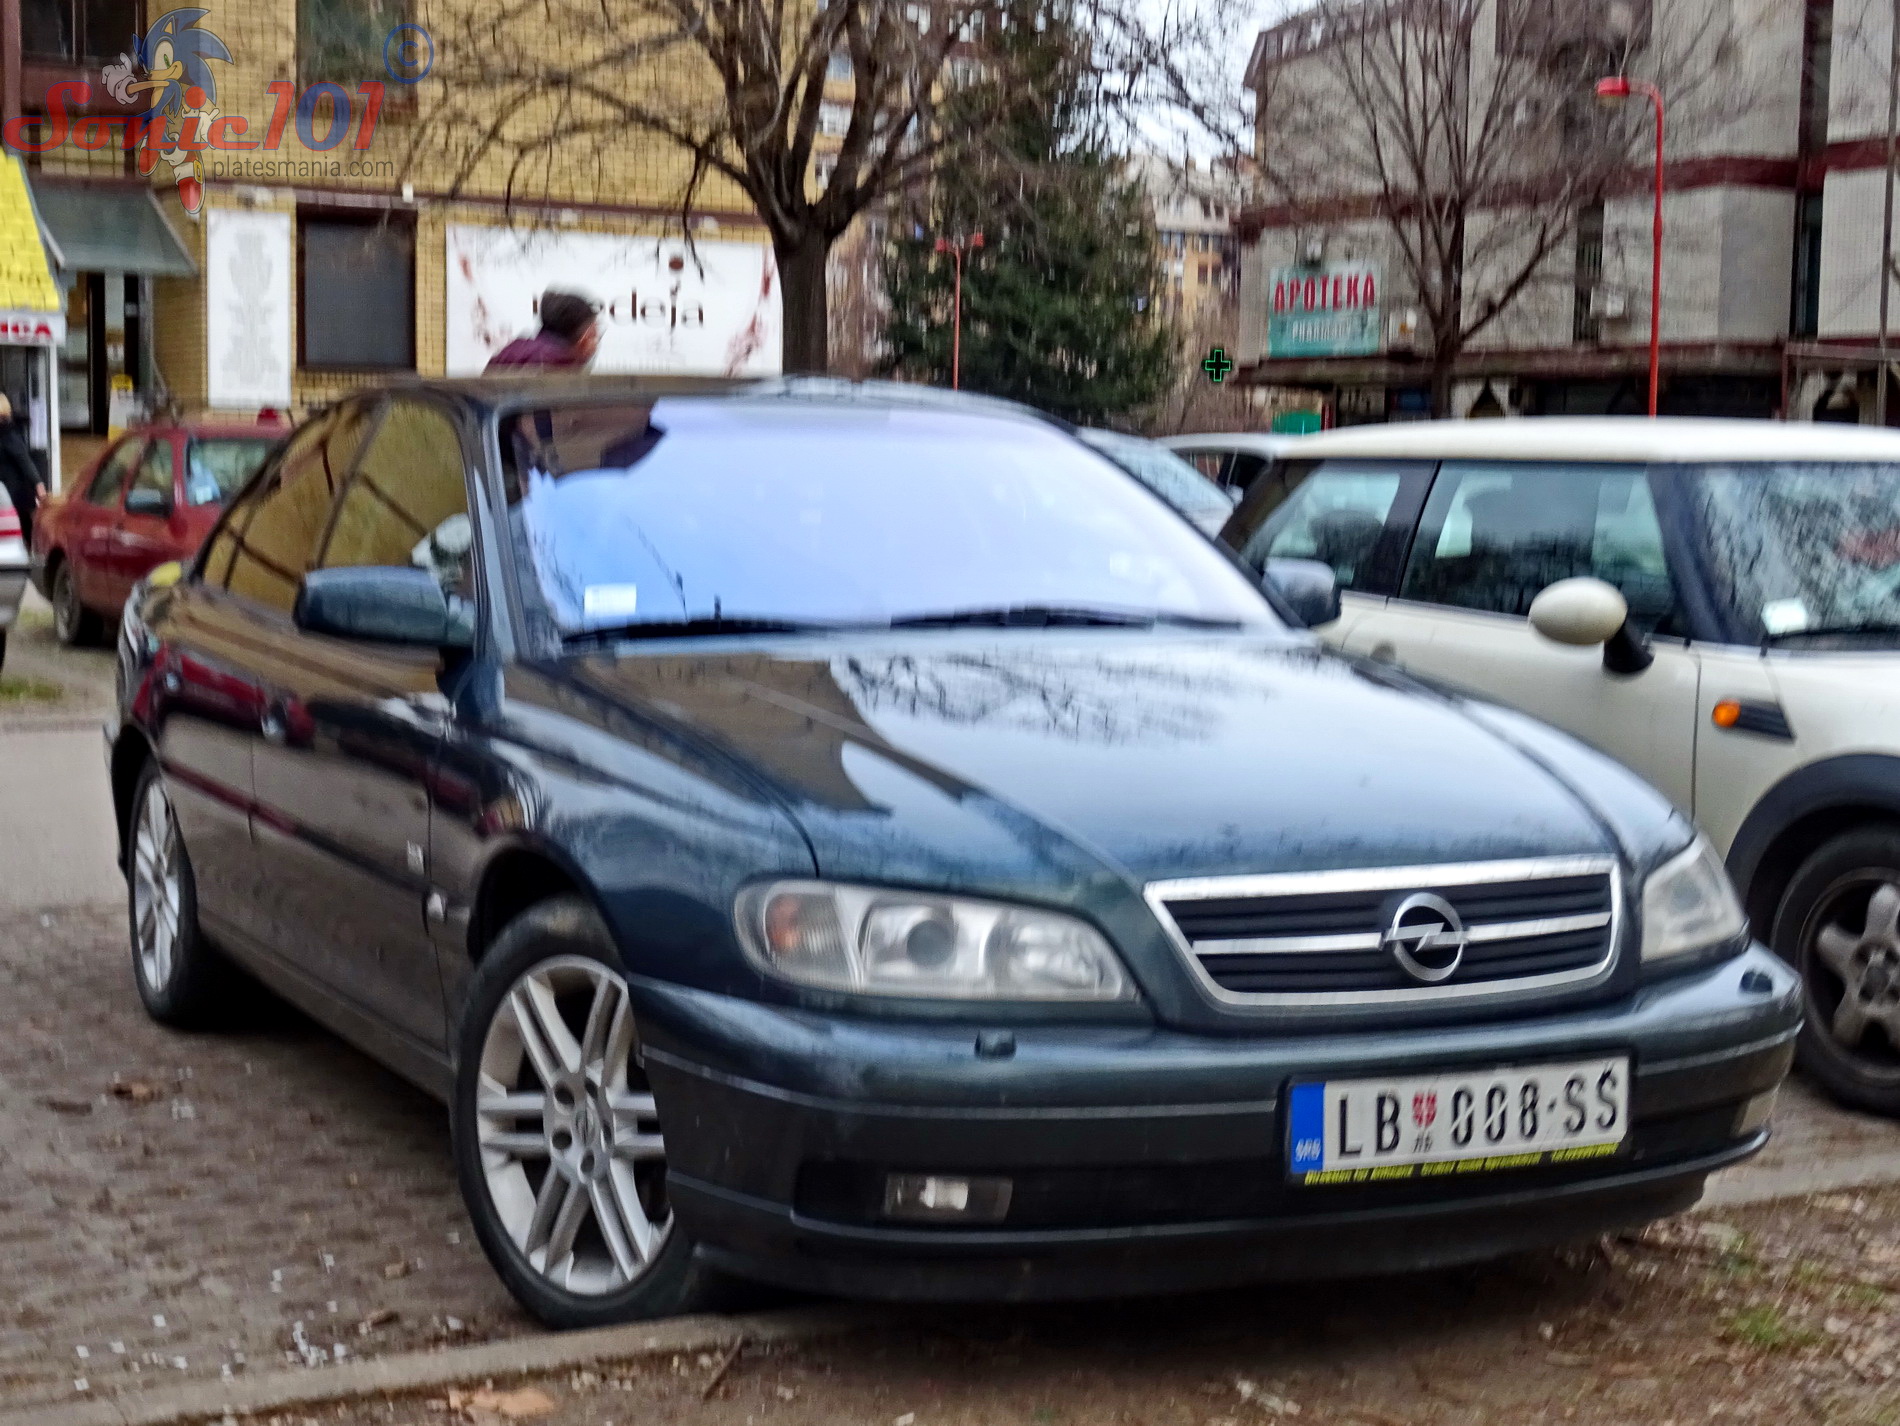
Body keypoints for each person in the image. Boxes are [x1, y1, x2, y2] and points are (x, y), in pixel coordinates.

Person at [485, 290, 603, 371]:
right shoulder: (554, 362)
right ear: (582, 336)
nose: (596, 337)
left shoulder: (522, 349)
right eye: (592, 331)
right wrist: (579, 357)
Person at [0, 394, 44, 547]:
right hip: (11, 493)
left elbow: (24, 461)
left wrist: (38, 485)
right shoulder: (10, 432)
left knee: (20, 530)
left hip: (11, 493)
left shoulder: (8, 435)